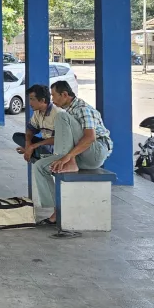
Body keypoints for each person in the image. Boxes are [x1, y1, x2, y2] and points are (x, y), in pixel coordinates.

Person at [31, 81, 113, 225]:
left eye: (54, 95)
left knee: (61, 117)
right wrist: (35, 145)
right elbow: (60, 138)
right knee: (39, 166)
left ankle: (69, 162)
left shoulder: (81, 109)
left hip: (95, 152)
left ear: (64, 95)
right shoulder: (67, 112)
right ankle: (57, 209)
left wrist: (68, 156)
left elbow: (90, 137)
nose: (52, 99)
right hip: (78, 154)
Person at [12, 84, 59, 162]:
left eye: (32, 99)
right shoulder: (37, 112)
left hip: (55, 146)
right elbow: (31, 129)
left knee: (42, 149)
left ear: (42, 100)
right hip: (43, 142)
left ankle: (36, 153)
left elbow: (59, 139)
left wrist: (33, 146)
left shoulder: (58, 113)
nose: (30, 103)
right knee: (17, 136)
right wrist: (28, 143)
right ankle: (34, 152)